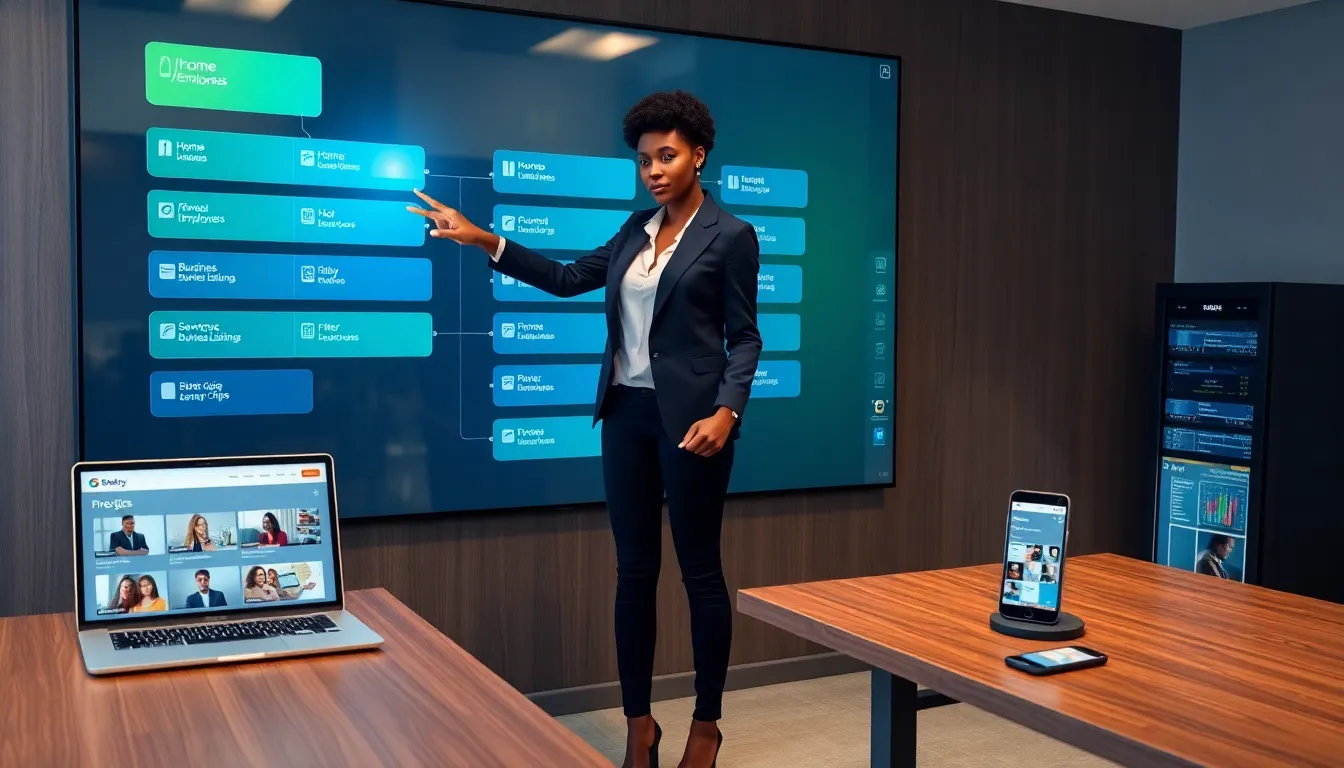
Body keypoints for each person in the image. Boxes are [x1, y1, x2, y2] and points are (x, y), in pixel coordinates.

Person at [409, 90, 760, 768]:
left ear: (698, 156)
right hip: (625, 418)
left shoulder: (731, 236)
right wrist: (483, 237)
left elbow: (744, 339)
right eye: (644, 160)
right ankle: (639, 726)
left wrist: (727, 410)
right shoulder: (635, 231)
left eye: (667, 156)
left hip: (694, 427)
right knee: (633, 574)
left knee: (700, 576)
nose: (654, 170)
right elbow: (568, 277)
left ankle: (708, 724)